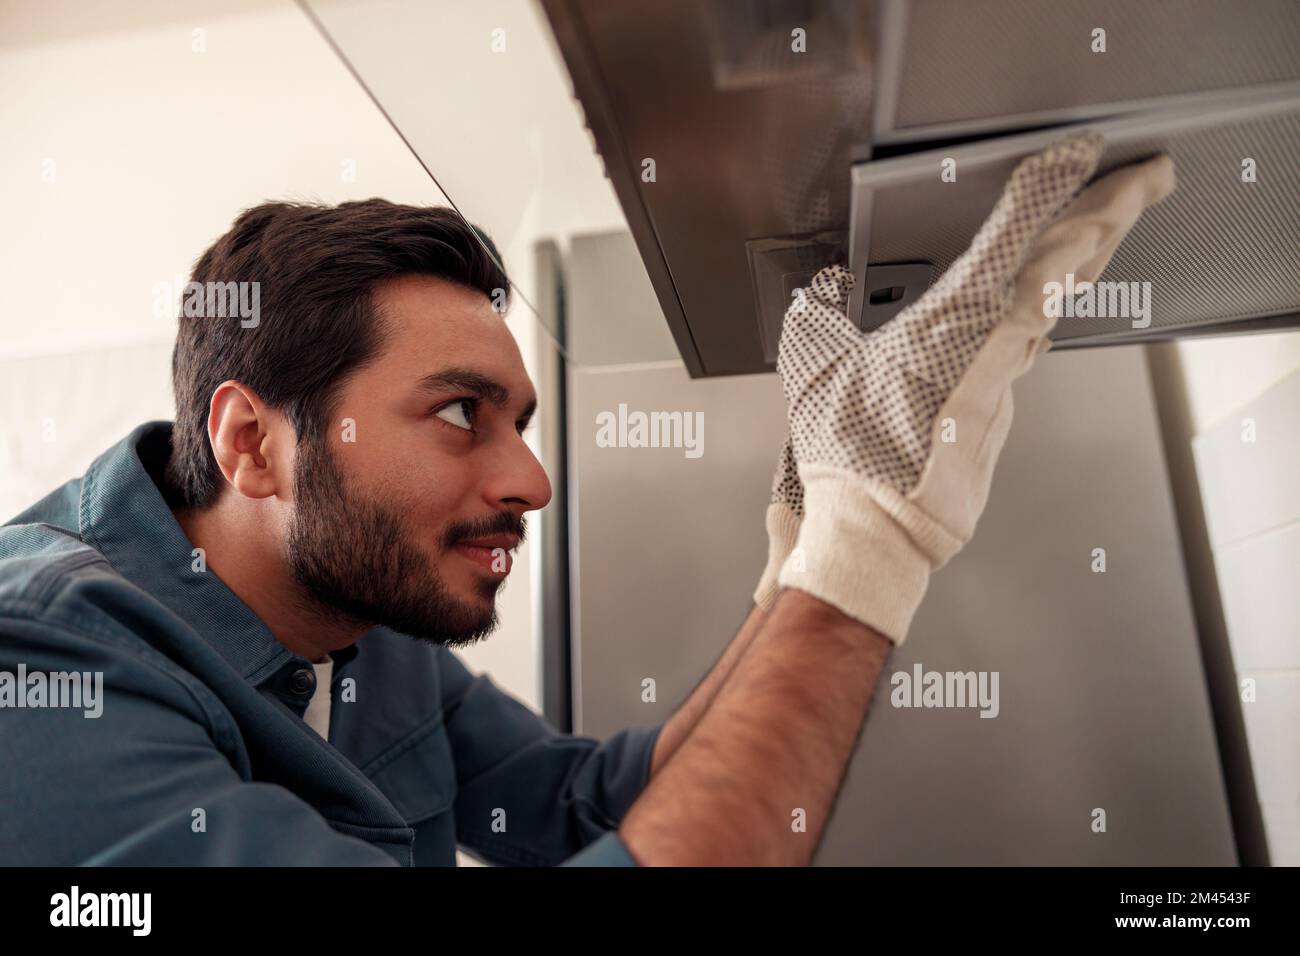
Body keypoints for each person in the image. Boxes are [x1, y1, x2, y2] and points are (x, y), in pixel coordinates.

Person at [0, 131, 1174, 865]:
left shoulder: (362, 613)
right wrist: (871, 550)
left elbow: (576, 802)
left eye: (522, 421)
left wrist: (799, 561)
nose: (532, 481)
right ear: (254, 443)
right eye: (460, 412)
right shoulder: (46, 667)